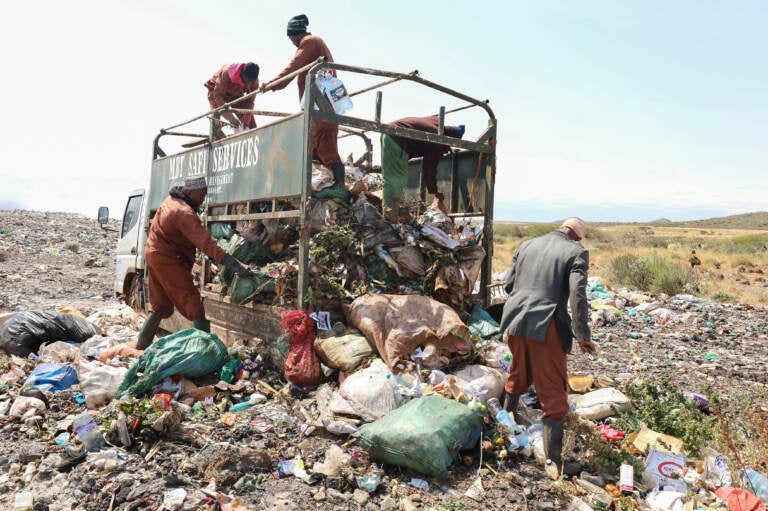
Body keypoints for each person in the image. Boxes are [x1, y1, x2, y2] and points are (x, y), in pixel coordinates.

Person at [499, 217, 596, 476]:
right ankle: (555, 461)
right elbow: (577, 294)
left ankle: (503, 435)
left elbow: (509, 285)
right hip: (546, 324)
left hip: (514, 319)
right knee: (553, 389)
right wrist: (582, 334)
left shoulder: (527, 244)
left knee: (517, 372)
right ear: (576, 236)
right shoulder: (576, 252)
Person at [136, 177, 251, 349]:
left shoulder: (170, 201)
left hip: (154, 255)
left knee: (159, 306)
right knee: (194, 305)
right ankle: (204, 352)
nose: (203, 199)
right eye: (202, 195)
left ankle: (140, 347)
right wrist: (235, 265)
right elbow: (206, 243)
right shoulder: (184, 213)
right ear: (190, 192)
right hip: (168, 260)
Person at [263, 14, 346, 192]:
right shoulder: (316, 42)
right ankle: (323, 185)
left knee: (326, 146)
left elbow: (293, 67)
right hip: (318, 104)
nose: (292, 43)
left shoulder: (309, 42)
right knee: (314, 147)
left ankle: (339, 187)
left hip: (321, 105)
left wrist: (271, 84)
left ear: (294, 35)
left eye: (291, 38)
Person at [381, 115, 465, 221]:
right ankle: (390, 218)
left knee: (390, 177)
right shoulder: (437, 140)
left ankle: (389, 211)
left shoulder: (434, 122)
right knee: (396, 180)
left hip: (388, 133)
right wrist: (435, 192)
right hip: (398, 138)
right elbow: (429, 170)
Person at [204, 62, 260, 136]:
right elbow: (218, 95)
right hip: (216, 92)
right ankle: (217, 137)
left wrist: (246, 120)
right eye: (246, 81)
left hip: (236, 95)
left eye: (249, 82)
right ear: (241, 74)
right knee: (216, 122)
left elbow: (250, 102)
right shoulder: (226, 72)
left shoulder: (254, 82)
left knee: (251, 125)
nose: (247, 84)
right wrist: (230, 118)